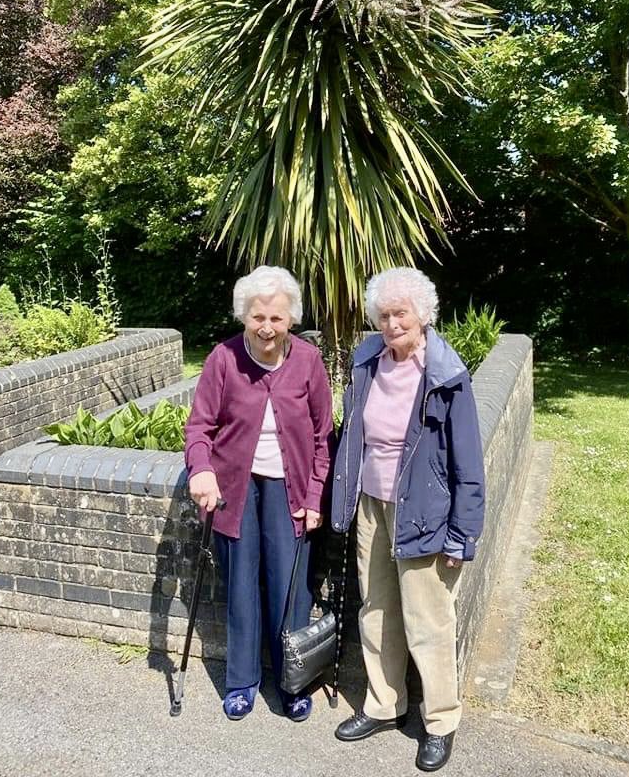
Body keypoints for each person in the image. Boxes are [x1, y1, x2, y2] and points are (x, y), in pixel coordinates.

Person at [331, 267, 485, 772]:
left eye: (401, 312)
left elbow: (468, 462)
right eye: (384, 314)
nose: (392, 322)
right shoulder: (366, 361)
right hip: (372, 505)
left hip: (425, 511)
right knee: (375, 609)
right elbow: (354, 434)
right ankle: (384, 704)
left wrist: (463, 534)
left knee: (428, 620)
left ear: (422, 316)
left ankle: (440, 720)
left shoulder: (445, 374)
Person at [184, 265, 333, 723]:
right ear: (243, 316)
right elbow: (199, 427)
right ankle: (242, 681)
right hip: (235, 490)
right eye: (257, 318)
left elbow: (324, 437)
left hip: (291, 490)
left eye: (276, 318)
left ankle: (294, 681)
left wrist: (314, 497)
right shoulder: (223, 359)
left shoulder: (308, 360)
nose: (266, 328)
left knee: (291, 589)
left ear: (291, 320)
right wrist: (201, 470)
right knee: (242, 588)